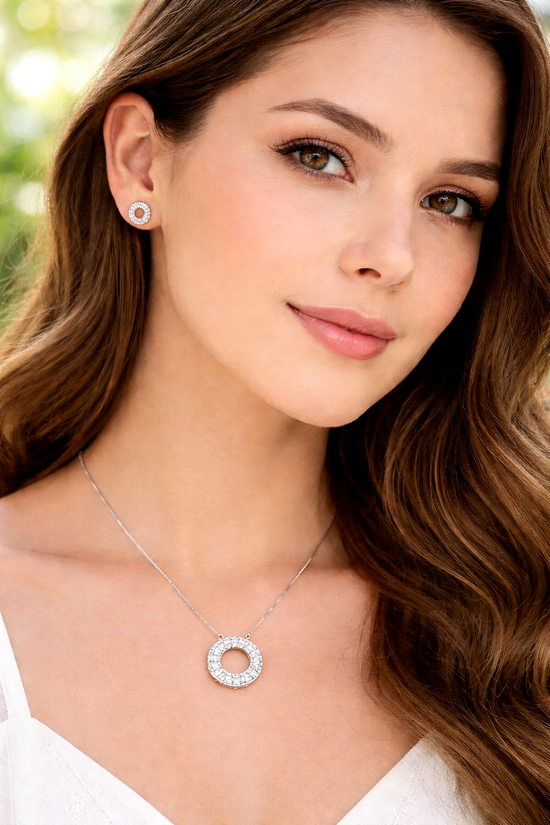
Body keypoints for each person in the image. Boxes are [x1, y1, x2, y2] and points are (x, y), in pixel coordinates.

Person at [0, 0, 548, 822]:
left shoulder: (519, 618)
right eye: (320, 155)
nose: (391, 256)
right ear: (142, 162)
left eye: (451, 202)